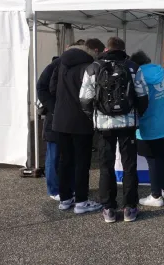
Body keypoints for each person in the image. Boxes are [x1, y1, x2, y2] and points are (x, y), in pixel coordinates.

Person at [79, 37, 148, 223]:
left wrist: (93, 116)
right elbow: (142, 96)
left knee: (106, 167)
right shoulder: (133, 67)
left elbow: (84, 99)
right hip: (128, 124)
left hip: (104, 126)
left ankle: (109, 209)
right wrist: (137, 114)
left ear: (106, 49)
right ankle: (130, 208)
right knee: (129, 166)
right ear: (123, 49)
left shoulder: (93, 68)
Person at [50, 38, 105, 214]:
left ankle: (65, 198)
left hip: (60, 120)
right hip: (81, 121)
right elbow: (92, 95)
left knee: (64, 161)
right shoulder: (89, 66)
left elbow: (51, 88)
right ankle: (81, 200)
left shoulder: (61, 64)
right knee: (82, 162)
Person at [130, 51, 164, 208]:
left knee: (152, 160)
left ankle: (155, 196)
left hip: (150, 125)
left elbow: (136, 100)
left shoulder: (138, 76)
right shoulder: (163, 72)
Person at [36, 55, 62, 200]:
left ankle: (58, 188)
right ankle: (53, 190)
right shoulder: (56, 67)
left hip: (58, 118)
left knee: (58, 156)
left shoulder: (57, 67)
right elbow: (42, 88)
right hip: (54, 119)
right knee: (54, 156)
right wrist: (54, 108)